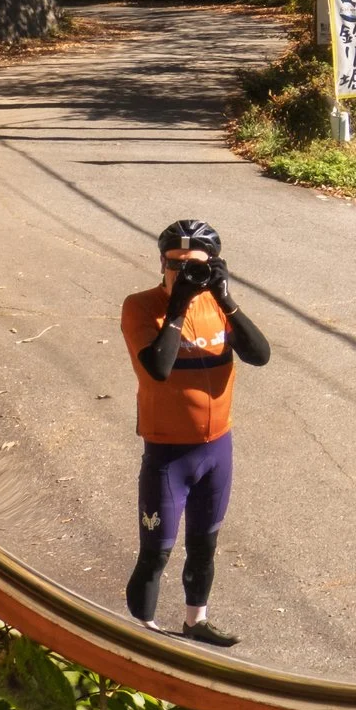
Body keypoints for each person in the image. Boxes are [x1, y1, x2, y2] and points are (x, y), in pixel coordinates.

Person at [120, 219, 271, 646]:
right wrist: (178, 305)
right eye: (175, 264)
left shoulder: (218, 305)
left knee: (204, 545)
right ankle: (141, 640)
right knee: (157, 552)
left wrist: (226, 298)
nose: (183, 272)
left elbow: (260, 355)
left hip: (216, 449)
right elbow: (158, 369)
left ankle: (195, 621)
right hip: (168, 454)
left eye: (196, 265)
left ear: (216, 265)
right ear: (161, 264)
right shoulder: (140, 306)